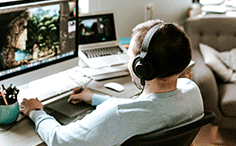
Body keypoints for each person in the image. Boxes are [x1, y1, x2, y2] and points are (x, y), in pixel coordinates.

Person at [20, 19, 204, 146]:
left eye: (130, 55)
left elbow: (59, 140)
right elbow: (139, 109)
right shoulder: (193, 92)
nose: (128, 61)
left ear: (143, 68)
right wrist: (94, 98)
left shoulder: (116, 116)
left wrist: (36, 112)